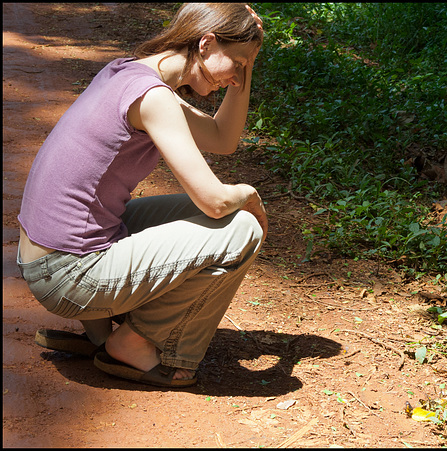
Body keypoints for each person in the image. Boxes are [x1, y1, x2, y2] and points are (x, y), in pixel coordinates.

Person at [16, 3, 266, 387]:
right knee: (241, 226)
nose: (236, 77)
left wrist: (246, 57)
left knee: (207, 216)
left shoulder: (129, 72)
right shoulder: (154, 98)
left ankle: (101, 336)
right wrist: (248, 193)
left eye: (245, 68)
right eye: (237, 63)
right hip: (64, 273)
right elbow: (214, 200)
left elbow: (223, 138)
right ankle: (132, 343)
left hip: (46, 255)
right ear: (206, 42)